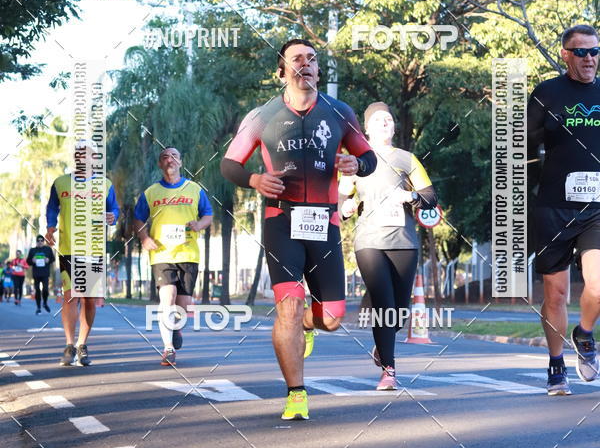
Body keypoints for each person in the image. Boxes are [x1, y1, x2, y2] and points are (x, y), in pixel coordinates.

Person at [220, 38, 376, 420]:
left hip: (325, 222)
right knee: (288, 307)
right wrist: (255, 180)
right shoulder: (262, 115)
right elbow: (229, 164)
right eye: (296, 59)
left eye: (311, 59)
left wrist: (357, 165)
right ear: (281, 71)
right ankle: (296, 393)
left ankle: (308, 324)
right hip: (282, 221)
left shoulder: (339, 112)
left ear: (318, 70)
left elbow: (369, 156)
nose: (304, 64)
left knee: (332, 318)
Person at [339, 103, 437, 390]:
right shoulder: (356, 161)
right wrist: (345, 207)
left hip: (404, 241)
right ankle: (389, 370)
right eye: (378, 120)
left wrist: (410, 197)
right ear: (366, 128)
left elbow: (431, 197)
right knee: (384, 303)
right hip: (369, 241)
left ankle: (383, 345)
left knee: (399, 312)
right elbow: (339, 199)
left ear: (394, 127)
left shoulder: (407, 159)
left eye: (389, 119)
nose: (384, 123)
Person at [527, 24, 600, 395]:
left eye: (594, 51)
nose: (589, 59)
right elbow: (524, 148)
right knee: (555, 294)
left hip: (597, 207)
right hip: (554, 206)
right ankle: (556, 365)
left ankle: (584, 333)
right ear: (565, 55)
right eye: (581, 52)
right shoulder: (547, 93)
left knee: (597, 286)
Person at [134, 147, 213, 366]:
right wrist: (144, 238)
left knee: (183, 305)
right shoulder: (151, 192)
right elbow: (138, 218)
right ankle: (168, 348)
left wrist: (199, 225)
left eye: (174, 156)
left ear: (180, 162)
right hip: (162, 254)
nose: (170, 159)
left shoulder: (194, 189)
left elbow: (208, 214)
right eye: (165, 157)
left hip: (188, 253)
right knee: (167, 297)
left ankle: (176, 328)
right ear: (160, 164)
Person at [46, 141, 120, 366]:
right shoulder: (60, 182)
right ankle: (69, 345)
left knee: (89, 298)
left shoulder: (104, 184)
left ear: (94, 158)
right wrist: (50, 228)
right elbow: (52, 208)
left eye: (86, 154)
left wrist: (112, 217)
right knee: (70, 296)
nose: (82, 157)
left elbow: (114, 209)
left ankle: (82, 344)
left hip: (94, 249)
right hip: (69, 248)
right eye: (78, 153)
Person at [27, 235, 55, 314]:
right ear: (36, 242)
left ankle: (45, 303)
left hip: (45, 273)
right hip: (36, 273)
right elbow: (28, 261)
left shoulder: (48, 249)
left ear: (43, 241)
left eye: (41, 240)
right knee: (37, 290)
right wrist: (32, 260)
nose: (40, 242)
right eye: (38, 241)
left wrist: (48, 260)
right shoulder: (32, 250)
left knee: (45, 289)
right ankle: (38, 307)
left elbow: (53, 259)